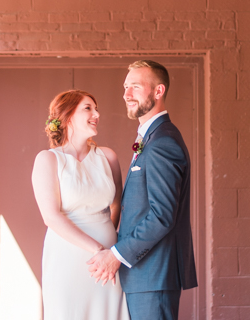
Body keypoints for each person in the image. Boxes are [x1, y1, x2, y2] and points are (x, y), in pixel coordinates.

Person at [87, 60, 198, 320]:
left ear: (158, 91)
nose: (126, 95)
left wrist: (117, 255)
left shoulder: (162, 142)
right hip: (145, 275)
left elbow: (162, 215)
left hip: (153, 275)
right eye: (126, 87)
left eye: (135, 87)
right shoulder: (151, 137)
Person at [32, 90, 130, 320]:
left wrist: (109, 252)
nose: (97, 114)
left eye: (96, 109)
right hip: (68, 256)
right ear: (68, 116)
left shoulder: (108, 157)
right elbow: (51, 216)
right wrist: (98, 251)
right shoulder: (47, 160)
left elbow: (117, 206)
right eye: (88, 108)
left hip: (108, 261)